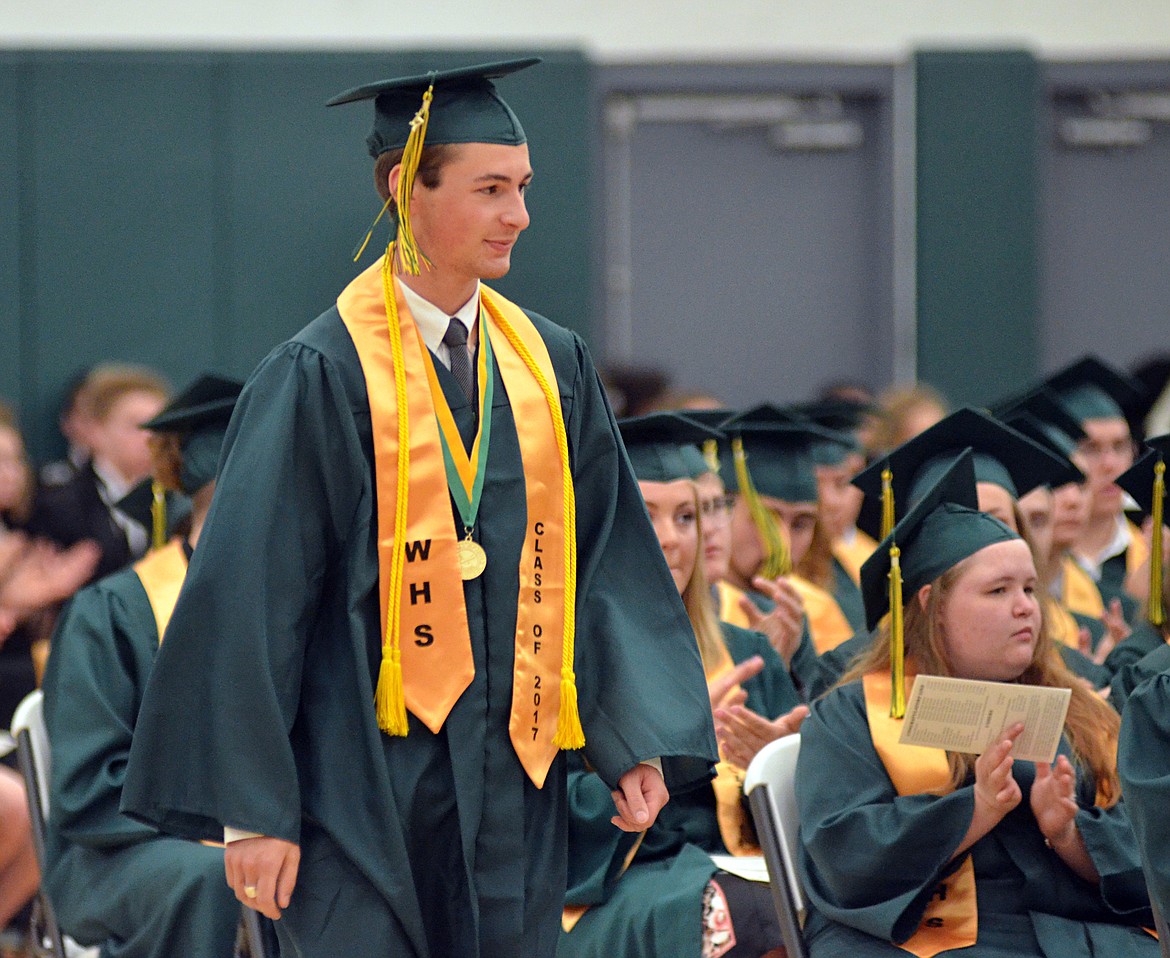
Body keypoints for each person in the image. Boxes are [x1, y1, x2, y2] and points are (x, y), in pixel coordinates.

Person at [121, 58, 717, 958]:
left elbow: (603, 561)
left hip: (514, 783)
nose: (518, 214)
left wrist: (631, 736)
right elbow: (252, 597)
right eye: (489, 189)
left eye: (522, 187)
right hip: (353, 787)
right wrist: (254, 808)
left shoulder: (552, 366)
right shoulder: (319, 374)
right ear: (406, 188)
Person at [797, 451, 1158, 957]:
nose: (1025, 606)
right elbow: (846, 857)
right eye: (998, 590)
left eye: (1030, 588)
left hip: (1070, 928)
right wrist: (978, 808)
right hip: (923, 937)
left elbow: (1149, 846)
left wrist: (1071, 833)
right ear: (930, 605)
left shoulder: (1079, 709)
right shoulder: (856, 712)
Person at [560, 412, 803, 958]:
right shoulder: (561, 662)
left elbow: (802, 824)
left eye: (687, 516)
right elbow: (548, 815)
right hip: (616, 889)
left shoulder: (749, 656)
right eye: (646, 515)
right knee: (754, 917)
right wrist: (669, 755)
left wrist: (777, 762)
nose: (670, 539)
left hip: (731, 869)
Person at [41, 375, 246, 958]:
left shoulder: (298, 605)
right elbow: (89, 788)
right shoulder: (113, 612)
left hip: (262, 836)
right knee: (215, 878)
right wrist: (229, 824)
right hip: (120, 854)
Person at [27, 364, 169, 584]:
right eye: (137, 425)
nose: (151, 438)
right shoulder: (58, 506)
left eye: (160, 426)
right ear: (95, 431)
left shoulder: (175, 503)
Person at [1044, 356, 1148, 622]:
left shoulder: (1152, 554)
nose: (1110, 464)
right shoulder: (1041, 565)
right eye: (1091, 449)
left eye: (1119, 446)